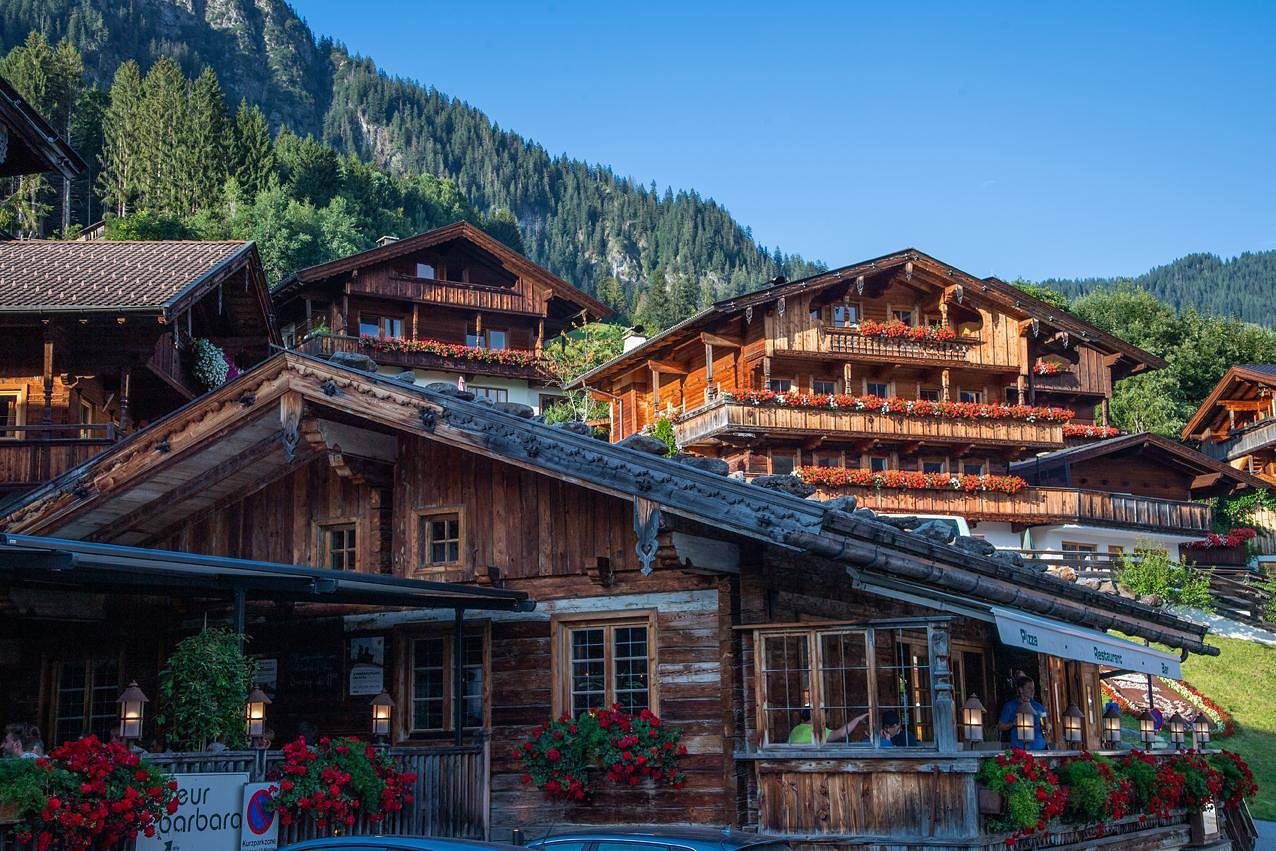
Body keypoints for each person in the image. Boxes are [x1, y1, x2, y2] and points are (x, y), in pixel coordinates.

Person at [998, 675, 1049, 750]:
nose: (1032, 690)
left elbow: (1045, 725)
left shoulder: (1039, 706)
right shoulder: (1010, 706)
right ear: (1021, 690)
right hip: (1019, 749)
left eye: (1033, 688)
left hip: (1040, 748)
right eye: (1029, 688)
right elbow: (1000, 726)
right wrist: (1013, 723)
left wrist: (1047, 727)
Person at [787, 708, 870, 744]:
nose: (825, 718)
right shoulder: (815, 729)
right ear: (815, 716)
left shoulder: (796, 729)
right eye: (822, 715)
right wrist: (858, 719)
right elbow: (842, 733)